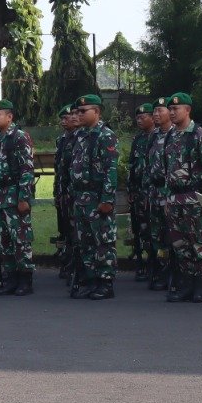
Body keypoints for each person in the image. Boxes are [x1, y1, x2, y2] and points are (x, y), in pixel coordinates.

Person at [163, 93, 202, 302]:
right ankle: (186, 283)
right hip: (175, 199)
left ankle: (201, 284)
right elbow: (168, 170)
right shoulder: (170, 135)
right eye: (171, 109)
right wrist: (167, 199)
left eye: (177, 109)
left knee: (199, 242)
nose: (172, 112)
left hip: (195, 198)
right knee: (180, 244)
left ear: (188, 110)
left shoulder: (200, 135)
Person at [68, 94, 118, 300]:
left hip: (97, 197)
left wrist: (107, 199)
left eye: (83, 111)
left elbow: (110, 170)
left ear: (96, 112)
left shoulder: (105, 136)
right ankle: (90, 280)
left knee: (102, 241)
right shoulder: (80, 135)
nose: (78, 115)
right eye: (77, 111)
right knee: (85, 242)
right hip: (81, 198)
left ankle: (105, 282)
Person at [0, 99, 36, 296]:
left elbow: (27, 170)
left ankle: (25, 279)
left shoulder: (19, 137)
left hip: (14, 196)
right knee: (2, 240)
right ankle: (10, 277)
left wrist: (24, 198)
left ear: (10, 116)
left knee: (20, 239)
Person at [145, 96, 175, 291]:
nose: (156, 114)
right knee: (156, 234)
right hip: (154, 192)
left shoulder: (176, 135)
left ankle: (173, 272)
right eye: (154, 111)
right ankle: (161, 269)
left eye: (160, 111)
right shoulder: (153, 136)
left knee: (171, 233)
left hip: (170, 191)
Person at [128, 104, 156, 282]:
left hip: (152, 191)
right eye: (137, 117)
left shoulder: (159, 137)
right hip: (138, 191)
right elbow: (131, 166)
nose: (139, 120)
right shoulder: (138, 140)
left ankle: (155, 263)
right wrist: (131, 189)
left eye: (142, 117)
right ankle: (142, 262)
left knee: (154, 229)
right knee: (140, 229)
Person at [53, 104, 79, 291]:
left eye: (67, 117)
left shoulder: (80, 139)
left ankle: (76, 266)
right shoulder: (62, 140)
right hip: (64, 193)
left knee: (76, 231)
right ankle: (67, 262)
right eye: (62, 119)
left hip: (77, 193)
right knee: (66, 229)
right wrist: (57, 192)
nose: (64, 121)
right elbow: (59, 170)